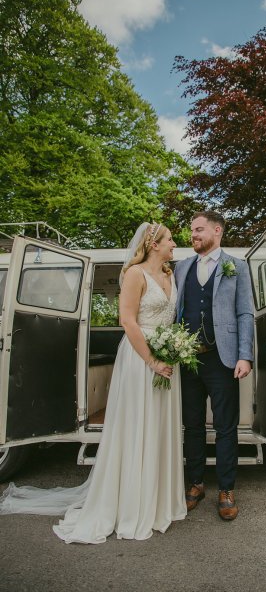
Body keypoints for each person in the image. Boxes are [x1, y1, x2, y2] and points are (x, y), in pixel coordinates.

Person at [0, 222, 187, 543]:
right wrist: (153, 360)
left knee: (159, 428)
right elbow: (127, 320)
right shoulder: (134, 274)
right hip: (141, 358)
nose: (175, 244)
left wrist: (172, 351)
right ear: (154, 244)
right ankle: (131, 504)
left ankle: (158, 501)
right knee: (137, 428)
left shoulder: (170, 275)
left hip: (168, 359)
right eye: (170, 239)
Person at [174, 211, 254, 521]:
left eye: (198, 229)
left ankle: (226, 489)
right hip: (188, 360)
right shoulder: (182, 267)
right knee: (192, 425)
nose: (192, 234)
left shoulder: (238, 267)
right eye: (191, 230)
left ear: (216, 231)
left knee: (225, 426)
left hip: (223, 360)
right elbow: (176, 310)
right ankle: (195, 484)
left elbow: (245, 313)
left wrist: (244, 355)